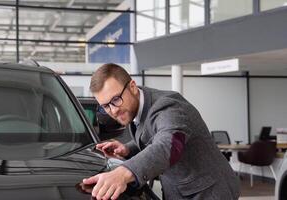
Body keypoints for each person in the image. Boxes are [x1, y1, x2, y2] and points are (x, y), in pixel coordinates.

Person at [82, 63, 240, 200]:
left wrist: (123, 173)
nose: (113, 111)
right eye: (105, 106)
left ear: (132, 86)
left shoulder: (168, 106)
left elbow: (169, 145)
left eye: (115, 100)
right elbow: (153, 136)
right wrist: (128, 149)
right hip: (179, 190)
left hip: (209, 192)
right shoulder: (135, 105)